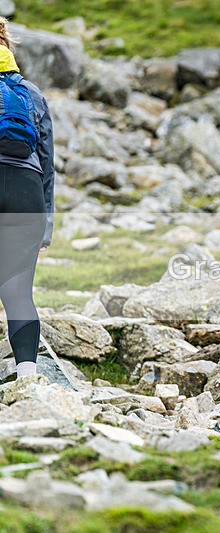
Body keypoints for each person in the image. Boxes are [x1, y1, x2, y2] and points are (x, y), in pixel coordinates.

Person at [0, 19, 55, 380]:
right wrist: (45, 226)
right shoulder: (31, 92)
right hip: (27, 191)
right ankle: (28, 379)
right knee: (18, 292)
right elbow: (48, 163)